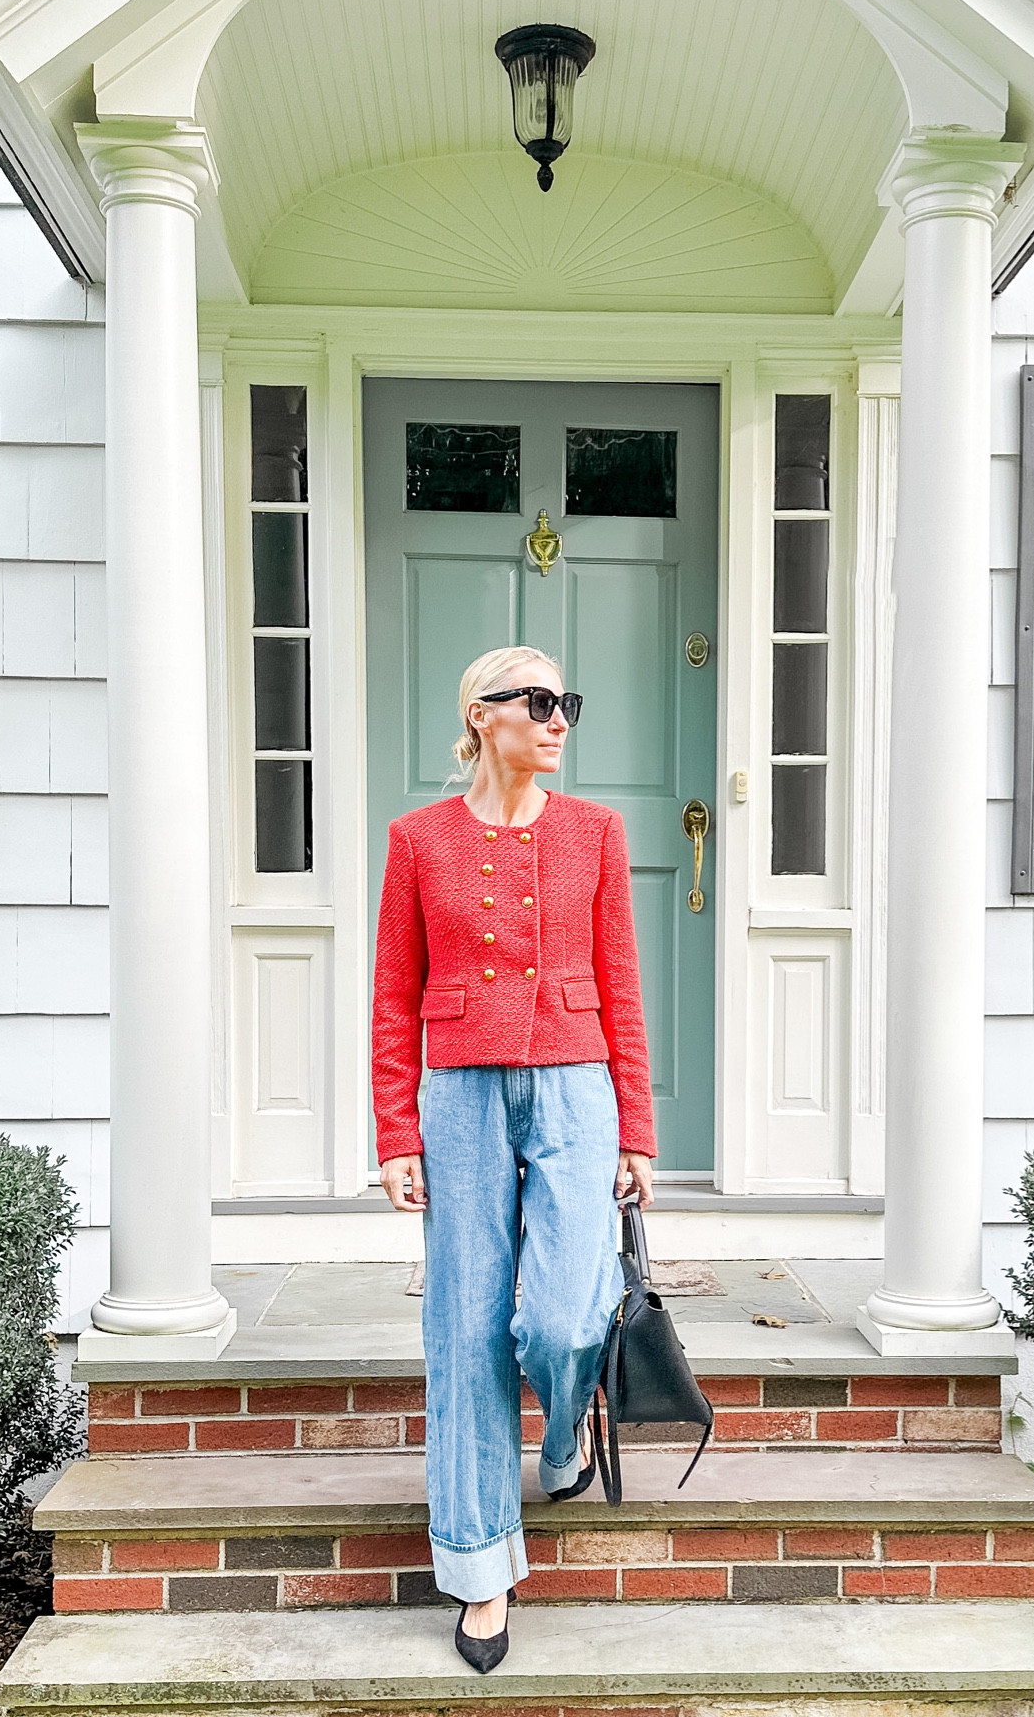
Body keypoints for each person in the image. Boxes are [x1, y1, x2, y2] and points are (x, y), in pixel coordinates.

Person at [371, 645, 657, 1673]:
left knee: (565, 1310)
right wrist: (394, 1132)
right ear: (480, 714)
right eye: (537, 702)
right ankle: (481, 1569)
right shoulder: (417, 840)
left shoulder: (595, 832)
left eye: (564, 702)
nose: (556, 719)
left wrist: (635, 1127)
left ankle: (565, 1421)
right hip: (458, 1091)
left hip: (577, 1081)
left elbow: (619, 977)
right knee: (464, 1324)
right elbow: (393, 989)